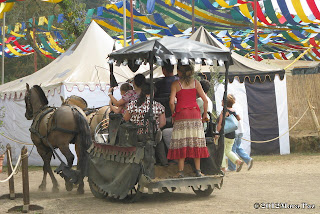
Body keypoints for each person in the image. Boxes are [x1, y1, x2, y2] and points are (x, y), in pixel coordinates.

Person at [167, 62, 209, 178]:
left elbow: (171, 102)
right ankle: (198, 171)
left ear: (180, 72)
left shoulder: (176, 84)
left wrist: (173, 114)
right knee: (195, 141)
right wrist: (204, 115)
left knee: (182, 141)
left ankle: (180, 172)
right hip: (195, 114)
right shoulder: (196, 83)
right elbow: (205, 101)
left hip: (181, 114)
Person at [216, 94, 244, 173]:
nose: (221, 101)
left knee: (222, 151)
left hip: (225, 134)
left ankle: (223, 168)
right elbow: (238, 118)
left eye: (222, 100)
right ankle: (237, 161)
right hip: (232, 134)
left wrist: (218, 131)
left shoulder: (224, 111)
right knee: (228, 151)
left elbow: (220, 123)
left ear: (224, 102)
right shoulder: (233, 111)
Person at [228, 105, 253, 171]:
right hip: (240, 131)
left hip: (234, 132)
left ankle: (232, 167)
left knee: (231, 150)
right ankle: (248, 159)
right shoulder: (237, 108)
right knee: (237, 147)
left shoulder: (228, 111)